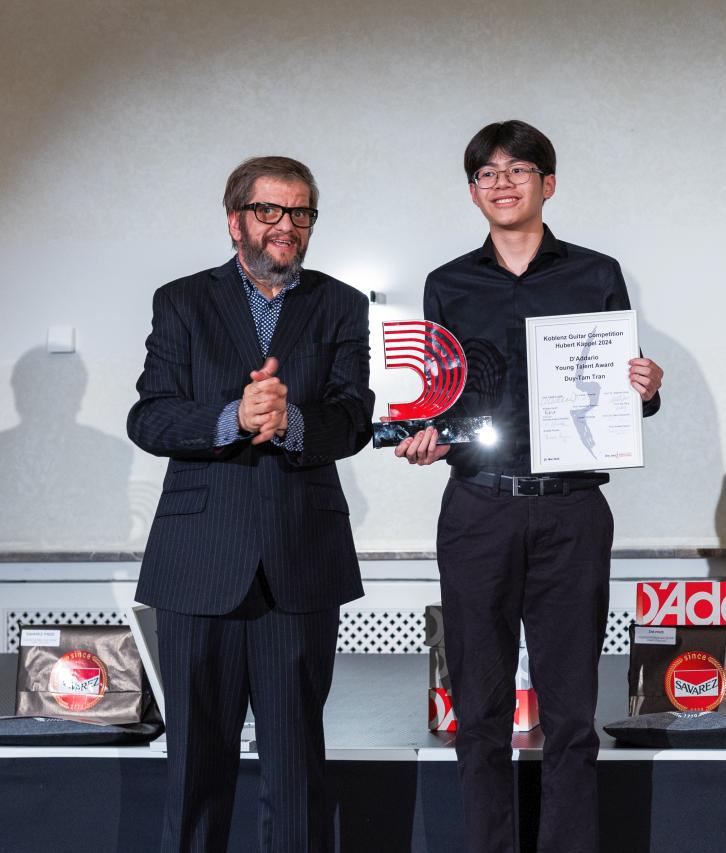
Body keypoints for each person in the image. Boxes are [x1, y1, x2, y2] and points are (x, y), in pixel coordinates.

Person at [396, 120, 663, 853]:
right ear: (472, 191)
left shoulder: (596, 273)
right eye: (487, 172)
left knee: (572, 715)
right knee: (478, 713)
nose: (502, 183)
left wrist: (645, 386)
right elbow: (440, 394)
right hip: (478, 507)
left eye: (518, 169)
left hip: (571, 511)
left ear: (548, 183)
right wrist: (424, 433)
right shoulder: (448, 283)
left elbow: (622, 390)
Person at [127, 156, 374, 852]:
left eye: (300, 213)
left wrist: (290, 421)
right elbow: (150, 417)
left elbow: (353, 418)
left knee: (296, 773)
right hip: (198, 562)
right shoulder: (182, 301)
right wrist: (232, 416)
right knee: (194, 771)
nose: (285, 225)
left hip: (301, 561)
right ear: (236, 220)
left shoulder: (341, 304)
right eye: (269, 210)